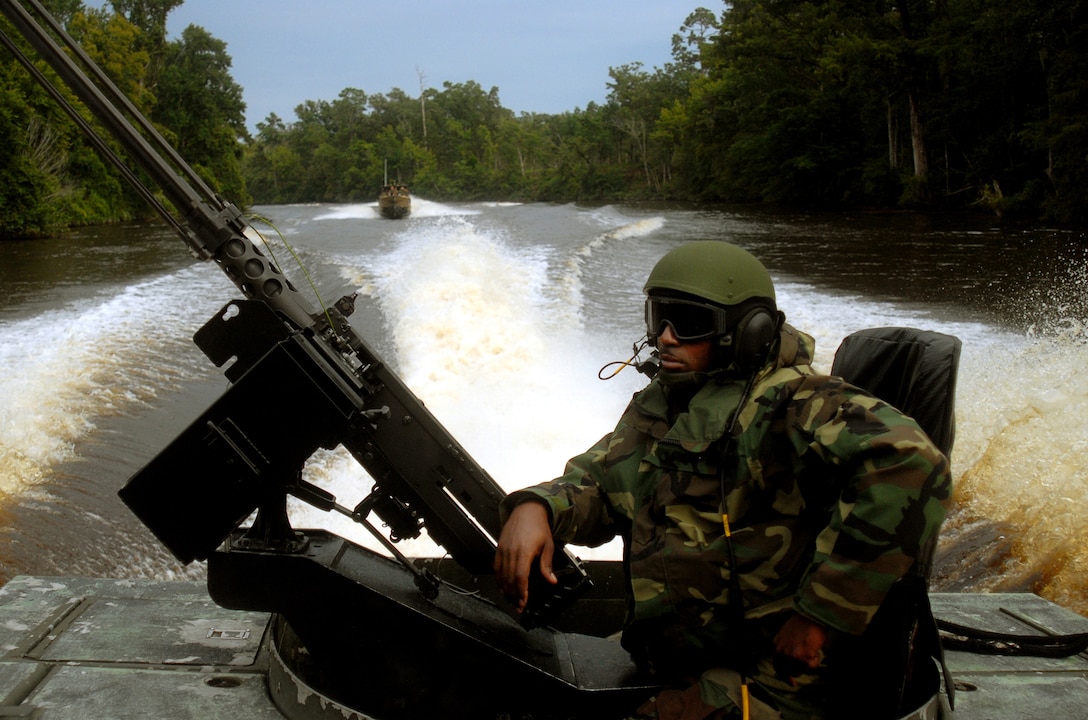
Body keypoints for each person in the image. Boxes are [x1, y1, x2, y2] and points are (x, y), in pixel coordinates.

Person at [493, 241, 952, 720]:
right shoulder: (668, 402)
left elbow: (914, 465)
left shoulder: (794, 404)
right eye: (659, 318)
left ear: (747, 332)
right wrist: (539, 507)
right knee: (523, 689)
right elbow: (604, 484)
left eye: (688, 322)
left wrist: (821, 616)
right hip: (682, 659)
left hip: (775, 678)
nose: (666, 337)